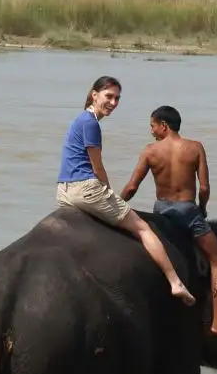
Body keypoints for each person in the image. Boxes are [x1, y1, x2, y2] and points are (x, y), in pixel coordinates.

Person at [56, 76, 196, 306]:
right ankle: (175, 282)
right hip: (85, 189)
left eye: (117, 98)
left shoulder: (79, 120)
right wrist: (107, 191)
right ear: (94, 95)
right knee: (142, 228)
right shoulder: (91, 123)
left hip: (64, 190)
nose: (113, 102)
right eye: (108, 96)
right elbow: (97, 165)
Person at [121, 104, 217, 337]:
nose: (151, 131)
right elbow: (204, 188)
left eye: (152, 126)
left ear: (164, 125)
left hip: (162, 210)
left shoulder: (150, 151)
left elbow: (132, 187)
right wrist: (202, 209)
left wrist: (116, 205)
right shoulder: (195, 148)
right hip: (187, 210)